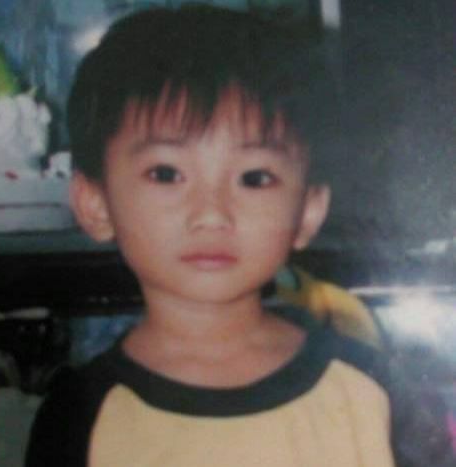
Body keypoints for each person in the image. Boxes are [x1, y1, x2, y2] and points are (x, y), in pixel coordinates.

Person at [25, 4, 454, 466]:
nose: (212, 214)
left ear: (308, 211)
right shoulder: (80, 415)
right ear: (95, 203)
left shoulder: (368, 391)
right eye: (166, 174)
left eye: (254, 178)